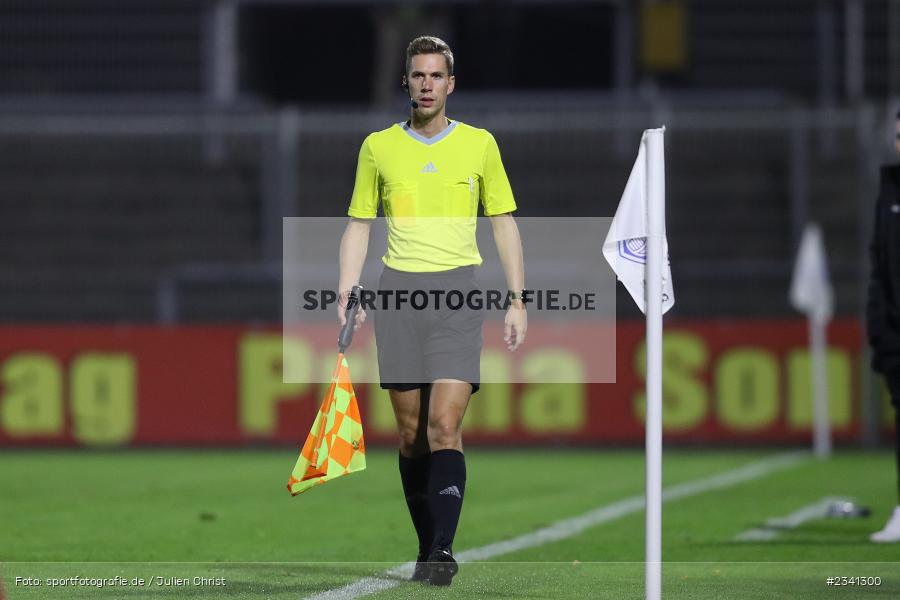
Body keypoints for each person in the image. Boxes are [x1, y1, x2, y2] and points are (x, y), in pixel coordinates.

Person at [336, 36, 527, 584]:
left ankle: (442, 551)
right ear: (406, 82)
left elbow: (504, 223)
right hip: (398, 294)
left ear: (450, 84)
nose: (425, 84)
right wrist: (348, 287)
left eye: (435, 76)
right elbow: (359, 224)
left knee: (445, 423)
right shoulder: (378, 147)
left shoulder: (480, 145)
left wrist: (518, 299)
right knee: (410, 432)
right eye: (417, 75)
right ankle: (427, 548)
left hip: (458, 295)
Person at [866, 109, 900, 543]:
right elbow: (878, 261)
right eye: (898, 133)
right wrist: (879, 323)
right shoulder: (889, 187)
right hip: (895, 328)